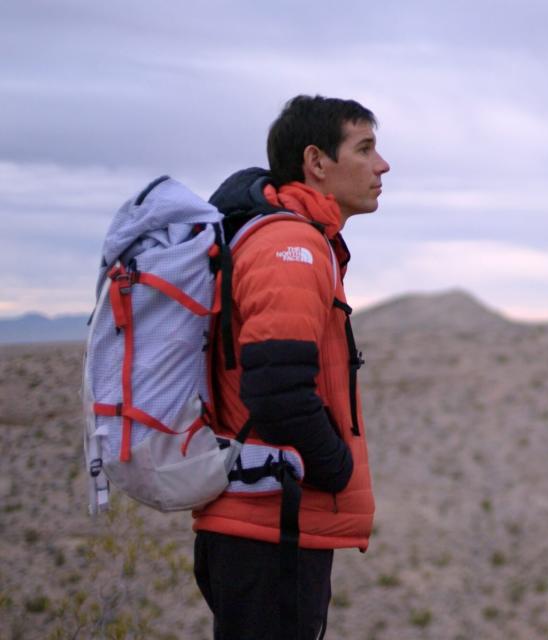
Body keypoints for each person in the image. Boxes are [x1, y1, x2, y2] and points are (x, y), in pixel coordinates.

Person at [192, 95, 390, 640]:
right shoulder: (291, 246)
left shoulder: (300, 240)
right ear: (316, 162)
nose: (382, 165)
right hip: (271, 524)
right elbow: (277, 391)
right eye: (365, 148)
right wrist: (335, 470)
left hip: (266, 519)